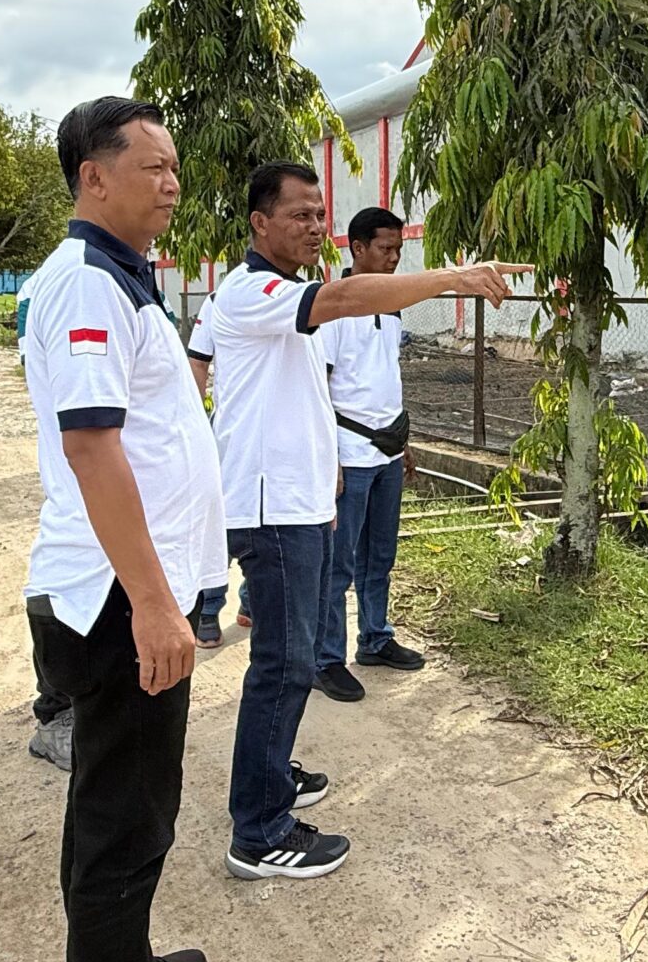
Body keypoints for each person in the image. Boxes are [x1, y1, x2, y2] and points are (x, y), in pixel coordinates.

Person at [195, 161, 519, 882]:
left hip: (302, 500)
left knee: (291, 655)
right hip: (271, 508)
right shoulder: (253, 291)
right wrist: (455, 278)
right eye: (300, 215)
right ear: (259, 223)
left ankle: (270, 775)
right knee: (284, 662)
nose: (316, 226)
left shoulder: (289, 295)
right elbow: (342, 297)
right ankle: (259, 833)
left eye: (320, 214)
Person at [21, 96, 242, 962]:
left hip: (134, 588)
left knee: (123, 805)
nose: (171, 183)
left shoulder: (121, 279)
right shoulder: (85, 283)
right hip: (117, 597)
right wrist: (156, 605)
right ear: (92, 175)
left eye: (175, 168)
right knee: (124, 816)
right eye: (152, 166)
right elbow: (90, 443)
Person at [314, 207, 420, 701]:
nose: (394, 258)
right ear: (357, 249)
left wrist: (403, 443)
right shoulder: (334, 309)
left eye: (399, 249)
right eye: (385, 249)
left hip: (387, 452)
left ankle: (375, 638)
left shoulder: (391, 308)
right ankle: (326, 658)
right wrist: (330, 457)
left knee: (381, 555)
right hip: (350, 453)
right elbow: (318, 386)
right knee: (339, 563)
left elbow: (385, 378)